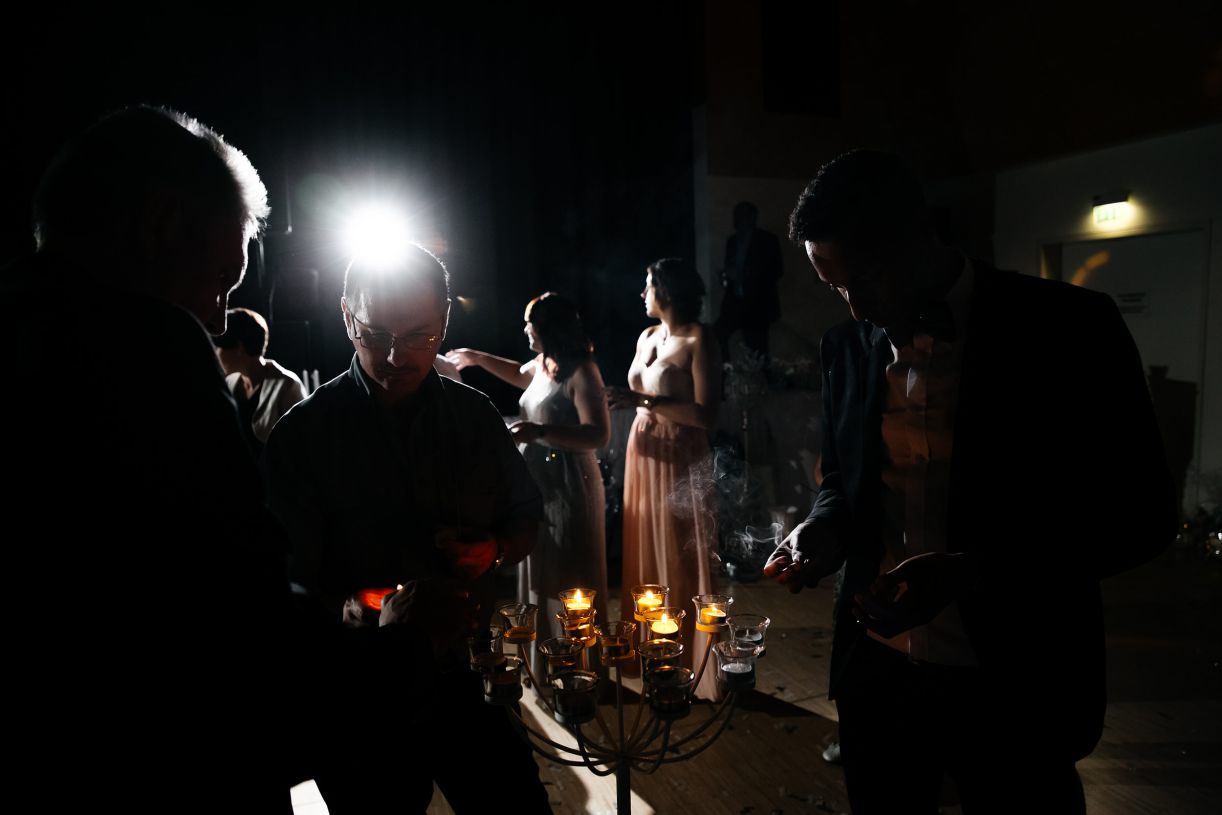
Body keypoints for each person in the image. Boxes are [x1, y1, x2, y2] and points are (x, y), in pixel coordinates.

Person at [1, 104, 439, 811]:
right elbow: (240, 616)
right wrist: (388, 653)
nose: (217, 316)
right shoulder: (149, 345)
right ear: (161, 223)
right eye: (223, 282)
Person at [764, 149, 1178, 813]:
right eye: (835, 287)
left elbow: (1144, 514)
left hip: (1019, 678)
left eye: (865, 279)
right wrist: (824, 526)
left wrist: (975, 572)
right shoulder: (846, 347)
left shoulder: (1069, 327)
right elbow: (843, 480)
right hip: (878, 676)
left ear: (919, 237)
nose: (856, 308)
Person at [262, 243, 551, 813]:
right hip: (358, 693)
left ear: (444, 321)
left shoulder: (474, 417)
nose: (397, 357)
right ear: (347, 318)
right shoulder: (304, 435)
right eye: (376, 336)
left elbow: (525, 513)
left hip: (469, 676)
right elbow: (281, 585)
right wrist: (361, 606)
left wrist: (493, 549)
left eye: (420, 336)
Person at [447, 292, 612, 676]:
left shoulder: (582, 371)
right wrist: (475, 357)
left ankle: (579, 669)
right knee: (542, 566)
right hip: (539, 482)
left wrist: (539, 431)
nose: (525, 330)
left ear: (548, 328)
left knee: (570, 570)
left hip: (571, 481)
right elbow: (518, 375)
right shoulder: (541, 365)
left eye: (530, 324)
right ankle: (545, 668)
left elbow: (598, 434)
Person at [608, 257, 722, 700]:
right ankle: (651, 653)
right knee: (645, 546)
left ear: (667, 291)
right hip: (644, 452)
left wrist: (646, 402)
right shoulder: (646, 336)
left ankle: (690, 659)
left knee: (679, 548)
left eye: (648, 286)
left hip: (680, 454)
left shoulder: (699, 338)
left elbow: (707, 414)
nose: (643, 294)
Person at [214, 306, 306, 454]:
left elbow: (301, 444)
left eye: (219, 347)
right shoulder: (229, 384)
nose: (216, 354)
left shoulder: (287, 386)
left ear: (239, 347)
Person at [714, 201, 783, 362]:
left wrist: (744, 274)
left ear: (752, 217)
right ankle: (726, 371)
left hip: (758, 304)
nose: (737, 220)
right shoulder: (732, 241)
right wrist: (726, 277)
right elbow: (730, 269)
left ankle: (761, 375)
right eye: (737, 215)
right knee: (718, 334)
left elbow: (777, 270)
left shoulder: (767, 240)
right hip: (735, 302)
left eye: (742, 215)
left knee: (758, 348)